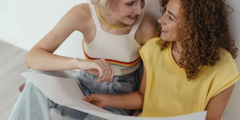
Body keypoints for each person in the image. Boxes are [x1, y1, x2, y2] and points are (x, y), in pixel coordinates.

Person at [83, 0, 240, 119]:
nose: (160, 20)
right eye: (165, 12)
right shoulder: (154, 49)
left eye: (170, 18)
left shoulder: (222, 67)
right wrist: (106, 100)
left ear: (193, 26)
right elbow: (144, 97)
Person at [9, 0, 158, 120]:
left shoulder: (147, 27)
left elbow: (143, 96)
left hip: (117, 101)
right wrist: (78, 63)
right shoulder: (82, 14)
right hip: (82, 89)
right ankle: (34, 97)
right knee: (38, 76)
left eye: (142, 1)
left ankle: (35, 100)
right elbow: (32, 58)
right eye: (130, 3)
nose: (139, 10)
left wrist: (108, 101)